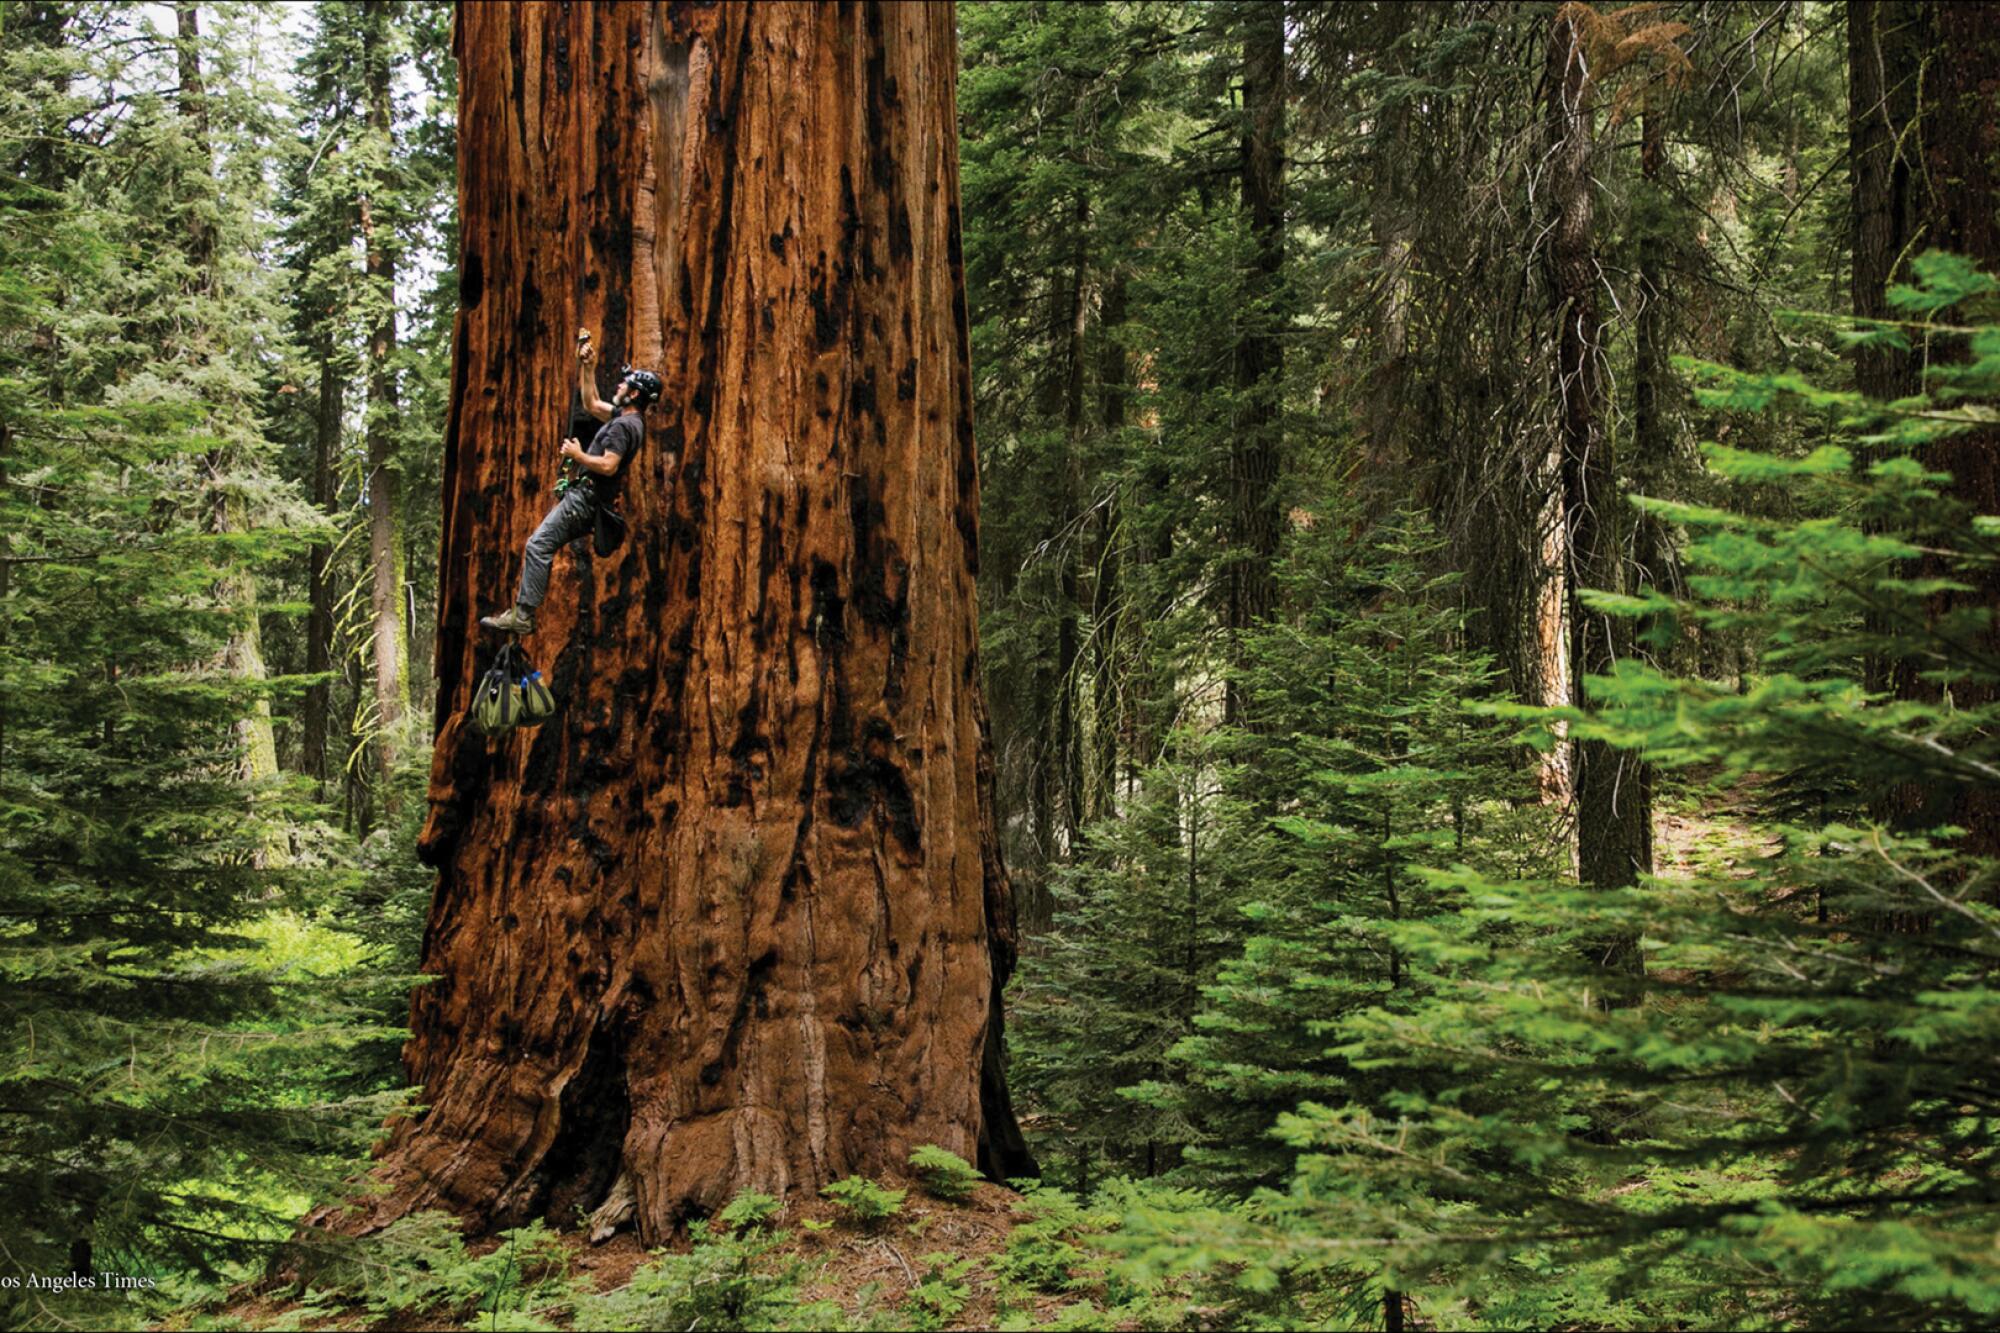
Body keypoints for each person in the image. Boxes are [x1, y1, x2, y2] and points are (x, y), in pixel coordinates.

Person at [480, 335, 662, 636]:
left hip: (585, 501)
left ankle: (523, 615)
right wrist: (587, 367)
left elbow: (609, 464)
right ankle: (522, 612)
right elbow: (590, 403)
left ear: (634, 394)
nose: (618, 386)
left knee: (538, 545)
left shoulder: (624, 427)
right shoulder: (627, 420)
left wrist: (577, 455)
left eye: (624, 384)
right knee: (541, 544)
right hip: (587, 499)